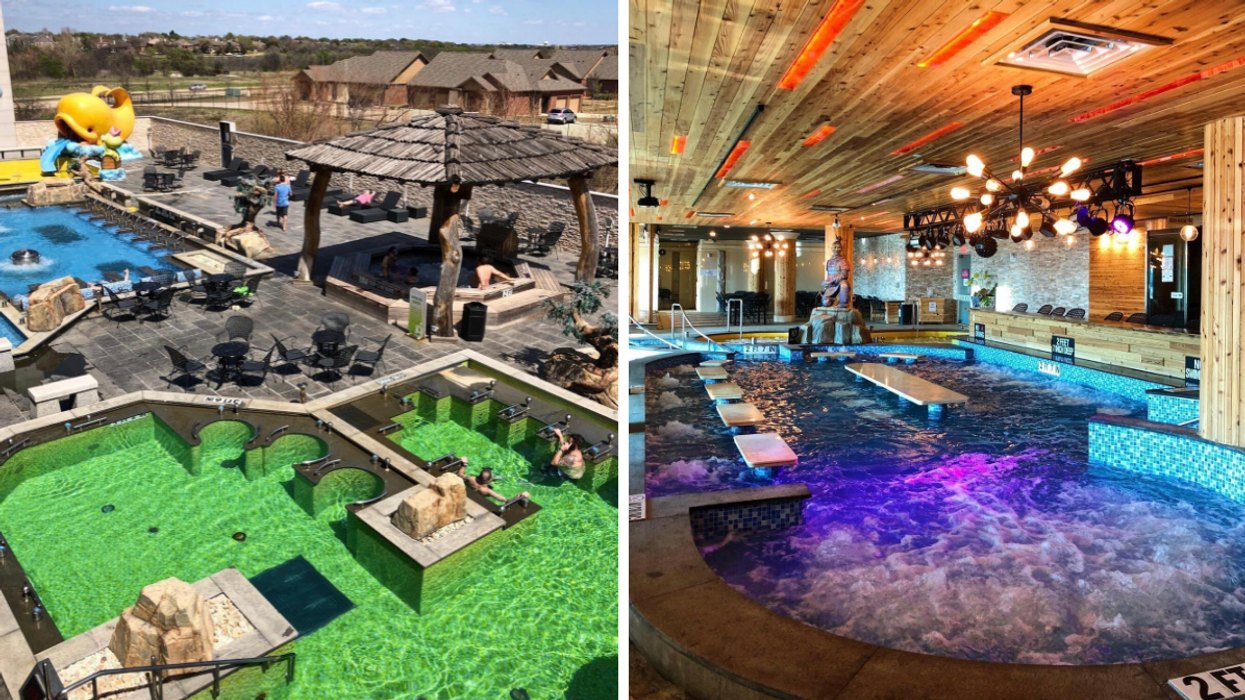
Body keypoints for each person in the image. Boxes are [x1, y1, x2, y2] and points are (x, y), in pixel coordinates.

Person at [456, 459, 530, 506]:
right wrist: (519, 495)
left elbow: (460, 475)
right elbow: (506, 501)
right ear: (489, 480)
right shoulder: (488, 491)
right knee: (501, 478)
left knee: (498, 478)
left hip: (473, 490)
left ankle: (501, 477)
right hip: (482, 495)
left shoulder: (471, 479)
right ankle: (504, 477)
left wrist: (465, 464)